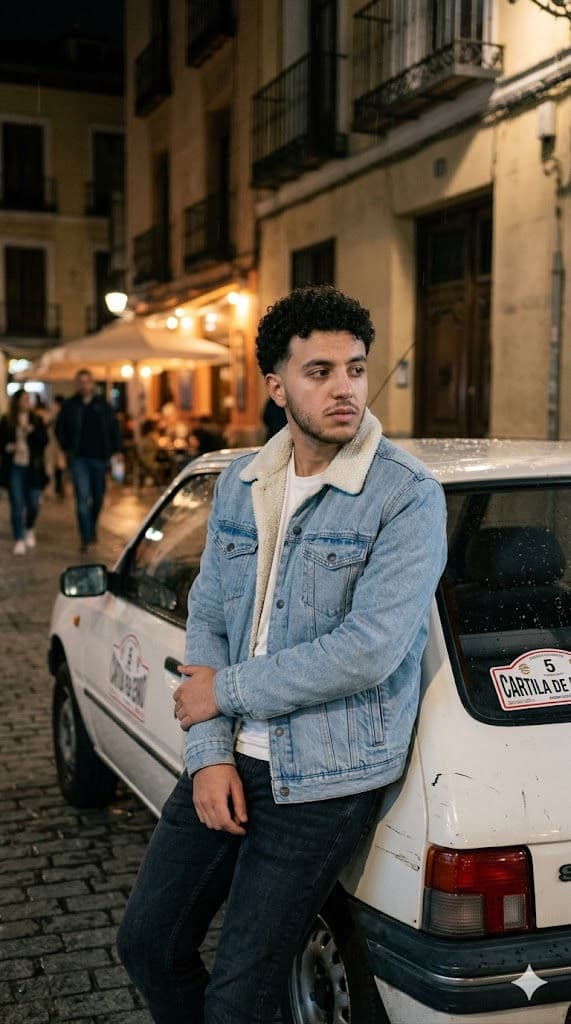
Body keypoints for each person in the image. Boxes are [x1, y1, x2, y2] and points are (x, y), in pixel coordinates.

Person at [117, 285, 448, 1023]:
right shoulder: (242, 482)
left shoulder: (403, 496)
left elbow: (368, 650)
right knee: (145, 942)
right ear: (276, 385)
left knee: (243, 995)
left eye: (355, 370)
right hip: (230, 752)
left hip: (326, 774)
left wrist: (224, 694)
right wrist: (207, 753)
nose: (343, 390)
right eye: (319, 371)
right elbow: (207, 615)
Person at [55, 368, 121, 552]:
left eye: (87, 381)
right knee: (82, 499)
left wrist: (116, 450)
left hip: (100, 458)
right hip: (79, 459)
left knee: (98, 498)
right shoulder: (70, 405)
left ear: (92, 383)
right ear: (77, 384)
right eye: (81, 382)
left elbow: (114, 428)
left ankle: (91, 529)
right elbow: (59, 429)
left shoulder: (103, 406)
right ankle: (86, 537)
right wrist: (67, 449)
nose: (84, 385)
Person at [0, 389, 49, 555]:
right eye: (24, 399)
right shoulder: (7, 420)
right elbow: (1, 442)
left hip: (33, 468)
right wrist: (8, 447)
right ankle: (19, 538)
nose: (27, 402)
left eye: (29, 399)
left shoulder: (36, 420)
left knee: (34, 504)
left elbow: (44, 441)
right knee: (17, 503)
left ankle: (29, 527)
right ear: (17, 401)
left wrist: (32, 431)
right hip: (15, 466)